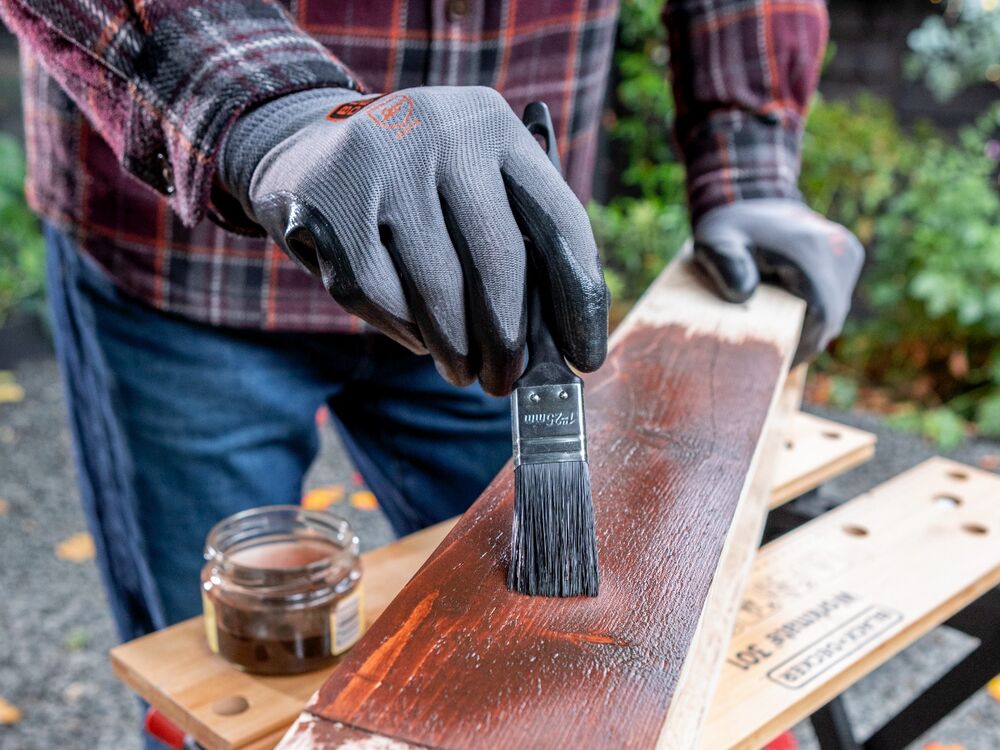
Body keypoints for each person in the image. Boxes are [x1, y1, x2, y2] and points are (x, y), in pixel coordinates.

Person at [3, 0, 861, 656]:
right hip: (184, 264)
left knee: (553, 654)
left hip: (498, 271)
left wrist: (750, 165)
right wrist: (271, 113)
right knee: (216, 662)